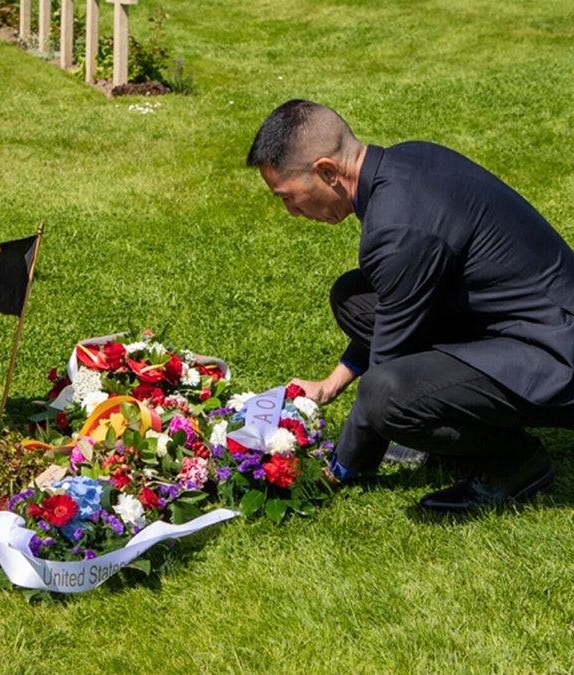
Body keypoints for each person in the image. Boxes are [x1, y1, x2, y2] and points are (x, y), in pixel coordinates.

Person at [246, 99, 574, 513]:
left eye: (288, 196)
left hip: (556, 354)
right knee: (354, 297)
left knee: (387, 396)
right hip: (526, 325)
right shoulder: (408, 160)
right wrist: (331, 385)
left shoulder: (398, 228)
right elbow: (398, 306)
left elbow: (385, 369)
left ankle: (514, 464)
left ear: (327, 171)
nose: (292, 212)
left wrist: (341, 468)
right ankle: (459, 423)